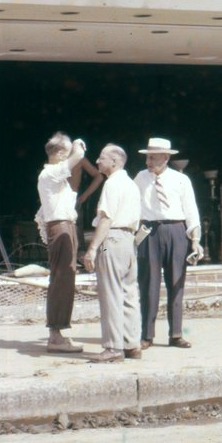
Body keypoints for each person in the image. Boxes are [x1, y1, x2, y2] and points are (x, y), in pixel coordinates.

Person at [135, 137, 202, 349]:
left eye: (152, 157)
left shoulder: (181, 180)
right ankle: (147, 335)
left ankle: (175, 334)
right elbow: (133, 208)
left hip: (176, 231)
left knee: (176, 283)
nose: (148, 161)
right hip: (148, 231)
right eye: (147, 157)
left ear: (165, 158)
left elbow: (192, 212)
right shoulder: (140, 178)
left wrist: (195, 241)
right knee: (148, 284)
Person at [82, 145, 142, 362]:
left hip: (111, 240)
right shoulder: (131, 184)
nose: (97, 161)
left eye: (102, 158)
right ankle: (132, 344)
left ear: (115, 162)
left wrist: (92, 249)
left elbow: (106, 219)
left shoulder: (112, 184)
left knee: (110, 293)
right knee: (129, 294)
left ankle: (113, 348)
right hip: (128, 241)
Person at [35, 132, 89, 352]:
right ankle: (55, 335)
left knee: (66, 276)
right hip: (60, 227)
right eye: (65, 154)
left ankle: (57, 332)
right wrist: (77, 146)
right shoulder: (49, 175)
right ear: (58, 154)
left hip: (65, 226)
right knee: (62, 277)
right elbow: (75, 159)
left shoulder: (55, 179)